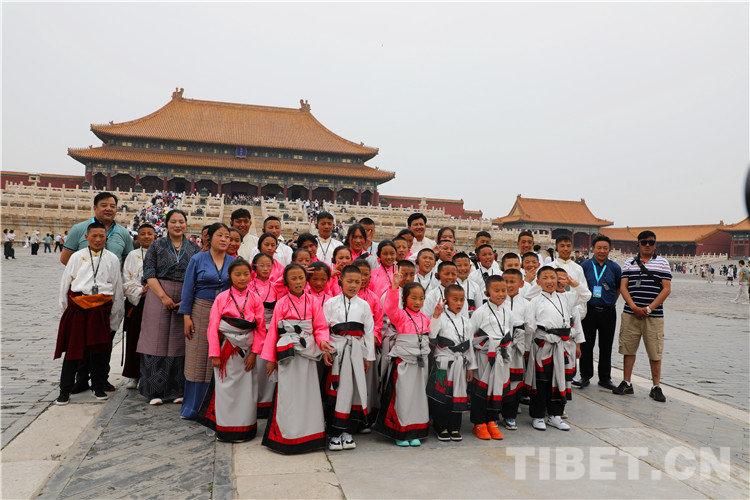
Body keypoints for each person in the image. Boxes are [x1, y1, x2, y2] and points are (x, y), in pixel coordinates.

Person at [61, 192, 134, 393]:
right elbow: (66, 258)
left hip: (108, 297)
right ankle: (81, 379)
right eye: (104, 205)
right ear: (95, 207)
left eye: (112, 205)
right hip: (83, 298)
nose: (108, 208)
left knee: (104, 340)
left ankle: (101, 379)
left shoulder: (123, 233)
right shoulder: (80, 229)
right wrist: (88, 275)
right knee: (81, 339)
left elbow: (126, 262)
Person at [260, 263, 333, 454]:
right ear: (286, 282)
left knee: (309, 393)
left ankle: (310, 435)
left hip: (308, 352)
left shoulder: (313, 302)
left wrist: (323, 342)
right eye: (293, 278)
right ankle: (288, 435)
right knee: (289, 393)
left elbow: (320, 327)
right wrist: (271, 359)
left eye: (301, 277)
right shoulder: (282, 303)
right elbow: (273, 332)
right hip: (288, 354)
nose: (298, 281)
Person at [197, 258, 267, 442]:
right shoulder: (221, 298)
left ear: (251, 275)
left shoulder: (255, 298)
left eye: (246, 274)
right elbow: (213, 327)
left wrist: (254, 354)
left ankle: (246, 429)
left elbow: (260, 329)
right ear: (229, 276)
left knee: (247, 391)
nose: (242, 278)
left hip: (247, 351)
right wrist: (215, 354)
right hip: (226, 349)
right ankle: (225, 428)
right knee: (225, 390)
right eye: (238, 274)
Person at [54, 222, 124, 404]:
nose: (98, 239)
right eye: (94, 236)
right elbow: (65, 284)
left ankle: (98, 387)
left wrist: (115, 317)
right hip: (78, 308)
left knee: (98, 351)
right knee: (73, 350)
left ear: (106, 238)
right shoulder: (77, 257)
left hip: (100, 309)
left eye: (102, 236)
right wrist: (65, 310)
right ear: (87, 237)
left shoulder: (112, 259)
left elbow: (117, 287)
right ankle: (65, 390)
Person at [137, 210, 200, 405]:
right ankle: (154, 391)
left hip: (185, 295)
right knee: (155, 340)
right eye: (173, 222)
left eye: (181, 221)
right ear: (166, 224)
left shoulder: (194, 248)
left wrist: (187, 299)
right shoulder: (156, 245)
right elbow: (149, 273)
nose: (178, 225)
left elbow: (197, 276)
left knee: (179, 341)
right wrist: (163, 297)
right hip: (158, 294)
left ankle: (177, 390)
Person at [179, 222, 234, 419]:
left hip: (226, 312)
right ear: (210, 238)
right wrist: (186, 316)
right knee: (197, 357)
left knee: (219, 357)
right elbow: (188, 288)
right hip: (201, 309)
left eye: (227, 236)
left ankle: (214, 409)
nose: (224, 239)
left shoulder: (233, 261)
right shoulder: (197, 259)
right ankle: (193, 408)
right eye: (220, 235)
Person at [613, 231, 671, 403]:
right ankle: (626, 382)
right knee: (628, 349)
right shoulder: (629, 262)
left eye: (651, 242)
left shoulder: (663, 263)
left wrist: (649, 309)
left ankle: (656, 386)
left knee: (655, 350)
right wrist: (633, 307)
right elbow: (623, 287)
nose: (647, 245)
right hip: (630, 313)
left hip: (654, 315)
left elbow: (666, 289)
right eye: (644, 242)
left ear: (655, 244)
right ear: (638, 244)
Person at [323, 265, 376, 451]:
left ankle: (348, 431)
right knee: (336, 392)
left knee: (353, 392)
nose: (353, 285)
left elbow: (369, 332)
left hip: (356, 353)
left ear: (362, 283)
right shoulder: (330, 303)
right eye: (349, 281)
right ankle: (334, 433)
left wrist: (367, 357)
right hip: (337, 352)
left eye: (357, 282)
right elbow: (323, 329)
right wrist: (325, 350)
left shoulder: (364, 305)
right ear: (341, 281)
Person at [375, 272, 431, 447]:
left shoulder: (425, 318)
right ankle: (399, 431)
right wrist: (394, 287)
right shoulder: (400, 316)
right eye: (413, 298)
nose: (417, 302)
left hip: (420, 363)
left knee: (417, 397)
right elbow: (390, 308)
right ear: (404, 299)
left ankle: (415, 431)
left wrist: (436, 316)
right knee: (402, 397)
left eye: (421, 298)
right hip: (403, 362)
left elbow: (432, 334)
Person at [524, 266, 576, 431]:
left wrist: (573, 283)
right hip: (543, 345)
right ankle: (538, 415)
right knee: (541, 381)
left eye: (553, 277)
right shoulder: (535, 301)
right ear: (538, 282)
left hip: (560, 345)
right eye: (545, 278)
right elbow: (530, 327)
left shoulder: (564, 298)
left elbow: (585, 295)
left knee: (559, 379)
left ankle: (555, 415)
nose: (549, 281)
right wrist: (528, 348)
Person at [428, 285, 476, 441]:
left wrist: (471, 367)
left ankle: (455, 427)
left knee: (458, 394)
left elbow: (469, 346)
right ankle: (440, 426)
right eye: (455, 299)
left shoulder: (466, 321)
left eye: (462, 299)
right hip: (443, 363)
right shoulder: (441, 318)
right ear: (446, 300)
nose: (459, 303)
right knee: (442, 396)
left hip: (460, 364)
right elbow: (432, 335)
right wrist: (435, 316)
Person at [469, 275, 511, 440]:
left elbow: (509, 333)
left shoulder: (508, 311)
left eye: (503, 290)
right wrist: (471, 363)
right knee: (481, 391)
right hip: (484, 357)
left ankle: (492, 420)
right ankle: (479, 423)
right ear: (487, 293)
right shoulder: (480, 312)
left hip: (500, 356)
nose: (501, 294)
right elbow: (470, 338)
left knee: (497, 389)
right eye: (496, 290)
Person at [577, 235, 622, 390]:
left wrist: (609, 301)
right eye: (599, 248)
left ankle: (605, 378)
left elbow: (618, 288)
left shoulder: (615, 268)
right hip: (589, 311)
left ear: (609, 249)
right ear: (593, 249)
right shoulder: (585, 266)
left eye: (605, 248)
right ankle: (585, 375)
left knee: (606, 345)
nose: (602, 251)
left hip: (608, 312)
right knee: (586, 345)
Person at [121, 224, 156, 390]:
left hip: (155, 300)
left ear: (155, 236)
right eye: (143, 234)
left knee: (153, 339)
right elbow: (126, 278)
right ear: (138, 237)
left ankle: (150, 374)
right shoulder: (132, 255)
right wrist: (140, 290)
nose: (146, 236)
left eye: (150, 233)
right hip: (137, 301)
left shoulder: (160, 253)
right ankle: (133, 375)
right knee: (134, 338)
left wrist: (153, 288)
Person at [249, 252, 279, 418]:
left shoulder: (276, 286)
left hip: (271, 330)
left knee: (268, 366)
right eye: (261, 265)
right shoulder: (248, 285)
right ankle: (253, 402)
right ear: (254, 266)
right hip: (254, 329)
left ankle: (267, 404)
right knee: (255, 369)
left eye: (269, 265)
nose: (265, 268)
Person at [498, 268, 527, 431]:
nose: (508, 285)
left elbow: (530, 328)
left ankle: (510, 415)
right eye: (505, 282)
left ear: (521, 284)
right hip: (499, 347)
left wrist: (525, 349)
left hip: (517, 349)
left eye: (512, 282)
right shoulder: (496, 302)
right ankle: (494, 413)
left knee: (515, 382)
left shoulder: (526, 304)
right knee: (497, 380)